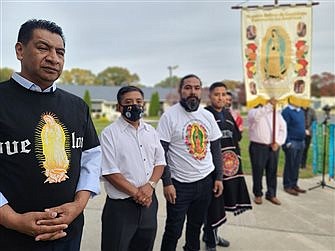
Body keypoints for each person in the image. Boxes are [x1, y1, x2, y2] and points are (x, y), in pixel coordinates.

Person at [0, 19, 101, 251]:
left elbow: (91, 158)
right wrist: (11, 219)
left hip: (69, 234)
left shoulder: (77, 106)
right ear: (20, 50)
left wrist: (78, 205)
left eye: (60, 52)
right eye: (43, 48)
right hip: (10, 237)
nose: (54, 58)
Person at [157, 74, 224, 251]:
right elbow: (160, 153)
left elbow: (216, 148)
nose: (192, 92)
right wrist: (167, 183)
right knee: (173, 230)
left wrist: (218, 177)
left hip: (205, 182)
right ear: (180, 91)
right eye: (188, 88)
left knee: (195, 228)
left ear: (201, 91)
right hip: (179, 185)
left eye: (196, 88)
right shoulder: (169, 117)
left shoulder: (207, 115)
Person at [100, 86, 166, 251]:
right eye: (128, 102)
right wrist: (138, 194)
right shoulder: (109, 134)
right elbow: (110, 171)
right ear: (119, 107)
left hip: (149, 203)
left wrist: (150, 186)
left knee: (145, 246)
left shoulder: (150, 131)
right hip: (121, 208)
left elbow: (160, 161)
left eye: (139, 102)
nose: (134, 105)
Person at [203, 82, 252, 251]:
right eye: (217, 94)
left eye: (224, 94)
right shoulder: (204, 114)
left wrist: (236, 163)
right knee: (212, 206)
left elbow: (235, 140)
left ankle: (213, 235)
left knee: (222, 203)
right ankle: (210, 241)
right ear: (210, 96)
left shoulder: (228, 114)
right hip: (212, 168)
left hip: (229, 167)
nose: (221, 97)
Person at [248, 98, 287, 205]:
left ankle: (271, 194)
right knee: (258, 171)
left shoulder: (277, 114)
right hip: (258, 147)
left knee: (272, 171)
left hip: (273, 147)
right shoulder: (253, 111)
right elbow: (256, 117)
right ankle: (258, 194)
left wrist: (278, 142)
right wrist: (269, 106)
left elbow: (283, 129)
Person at [282, 100, 306, 195]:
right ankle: (287, 185)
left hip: (301, 142)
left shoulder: (301, 111)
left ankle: (294, 184)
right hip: (292, 142)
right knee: (290, 164)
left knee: (297, 165)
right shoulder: (286, 111)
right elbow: (284, 128)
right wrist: (287, 142)